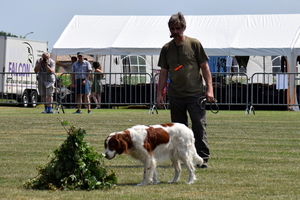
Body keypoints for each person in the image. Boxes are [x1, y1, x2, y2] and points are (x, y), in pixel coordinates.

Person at [156, 12, 214, 168]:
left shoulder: (194, 44)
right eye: (172, 28)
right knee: (177, 130)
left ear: (184, 27)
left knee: (198, 126)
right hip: (175, 95)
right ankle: (181, 158)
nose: (175, 31)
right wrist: (160, 94)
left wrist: (210, 89)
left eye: (177, 28)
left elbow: (205, 67)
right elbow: (163, 72)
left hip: (195, 94)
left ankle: (202, 158)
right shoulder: (166, 49)